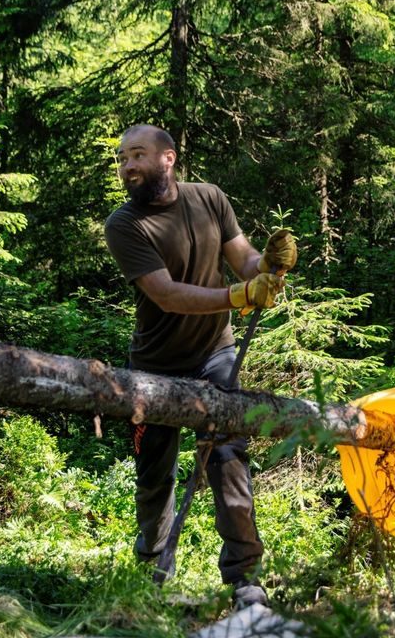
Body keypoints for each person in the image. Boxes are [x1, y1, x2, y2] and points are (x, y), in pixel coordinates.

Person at [103, 124, 297, 608]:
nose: (128, 167)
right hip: (153, 367)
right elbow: (166, 295)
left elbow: (243, 257)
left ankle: (246, 579)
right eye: (123, 159)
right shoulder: (124, 225)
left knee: (229, 459)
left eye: (138, 156)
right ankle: (151, 572)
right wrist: (238, 295)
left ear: (168, 158)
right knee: (154, 473)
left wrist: (267, 270)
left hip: (215, 353)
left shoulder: (209, 197)